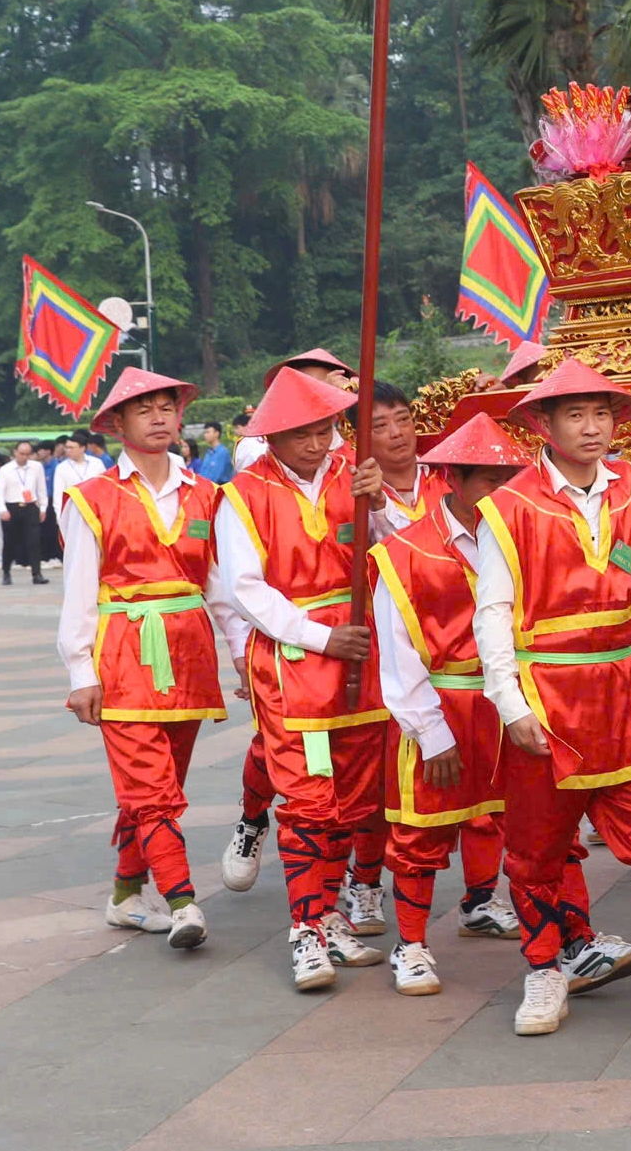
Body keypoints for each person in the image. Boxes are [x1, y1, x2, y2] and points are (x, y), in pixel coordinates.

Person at [474, 360, 631, 1038]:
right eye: (575, 414)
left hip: (629, 692)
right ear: (543, 424)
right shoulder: (508, 505)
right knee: (537, 851)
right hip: (547, 697)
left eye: (601, 412)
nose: (592, 426)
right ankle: (546, 968)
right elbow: (492, 611)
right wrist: (510, 703)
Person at [216, 368, 390, 992]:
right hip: (294, 666)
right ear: (273, 436)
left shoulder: (357, 476)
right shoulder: (243, 494)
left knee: (355, 800)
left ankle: (328, 911)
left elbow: (396, 550)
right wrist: (319, 636)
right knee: (310, 804)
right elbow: (245, 590)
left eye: (327, 430)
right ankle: (305, 931)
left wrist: (385, 500)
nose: (319, 444)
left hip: (364, 657)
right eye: (303, 435)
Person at [56, 367, 233, 952]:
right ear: (118, 424)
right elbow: (79, 592)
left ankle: (126, 896)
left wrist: (243, 662)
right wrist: (81, 672)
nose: (159, 417)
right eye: (144, 409)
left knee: (156, 785)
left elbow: (223, 590)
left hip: (189, 652)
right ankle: (182, 901)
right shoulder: (92, 497)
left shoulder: (207, 494)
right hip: (124, 654)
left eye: (167, 407)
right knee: (153, 789)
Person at [369, 413, 527, 1000]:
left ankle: (510, 915)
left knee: (519, 822)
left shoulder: (525, 534)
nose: (502, 493)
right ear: (451, 480)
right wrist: (430, 732)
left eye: (510, 478)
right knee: (419, 832)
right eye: (488, 481)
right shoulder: (406, 551)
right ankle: (410, 944)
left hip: (509, 702)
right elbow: (398, 654)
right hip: (441, 703)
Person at [368, 383, 450, 540]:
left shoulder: (448, 475)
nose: (396, 433)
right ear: (358, 437)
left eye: (403, 419)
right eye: (380, 425)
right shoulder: (357, 494)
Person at [0, 440, 49, 586]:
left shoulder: (36, 467)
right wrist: (2, 509)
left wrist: (43, 508)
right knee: (9, 542)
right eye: (21, 454)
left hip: (31, 506)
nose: (24, 457)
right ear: (15, 452)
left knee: (34, 541)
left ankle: (36, 574)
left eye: (27, 454)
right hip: (11, 508)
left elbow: (41, 489)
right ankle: (6, 571)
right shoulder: (5, 470)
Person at [51, 434, 98, 556]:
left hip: (96, 511)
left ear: (83, 448)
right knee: (76, 550)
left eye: (72, 447)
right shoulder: (62, 468)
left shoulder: (96, 464)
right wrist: (59, 517)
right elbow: (58, 495)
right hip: (73, 512)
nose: (67, 450)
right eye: (67, 447)